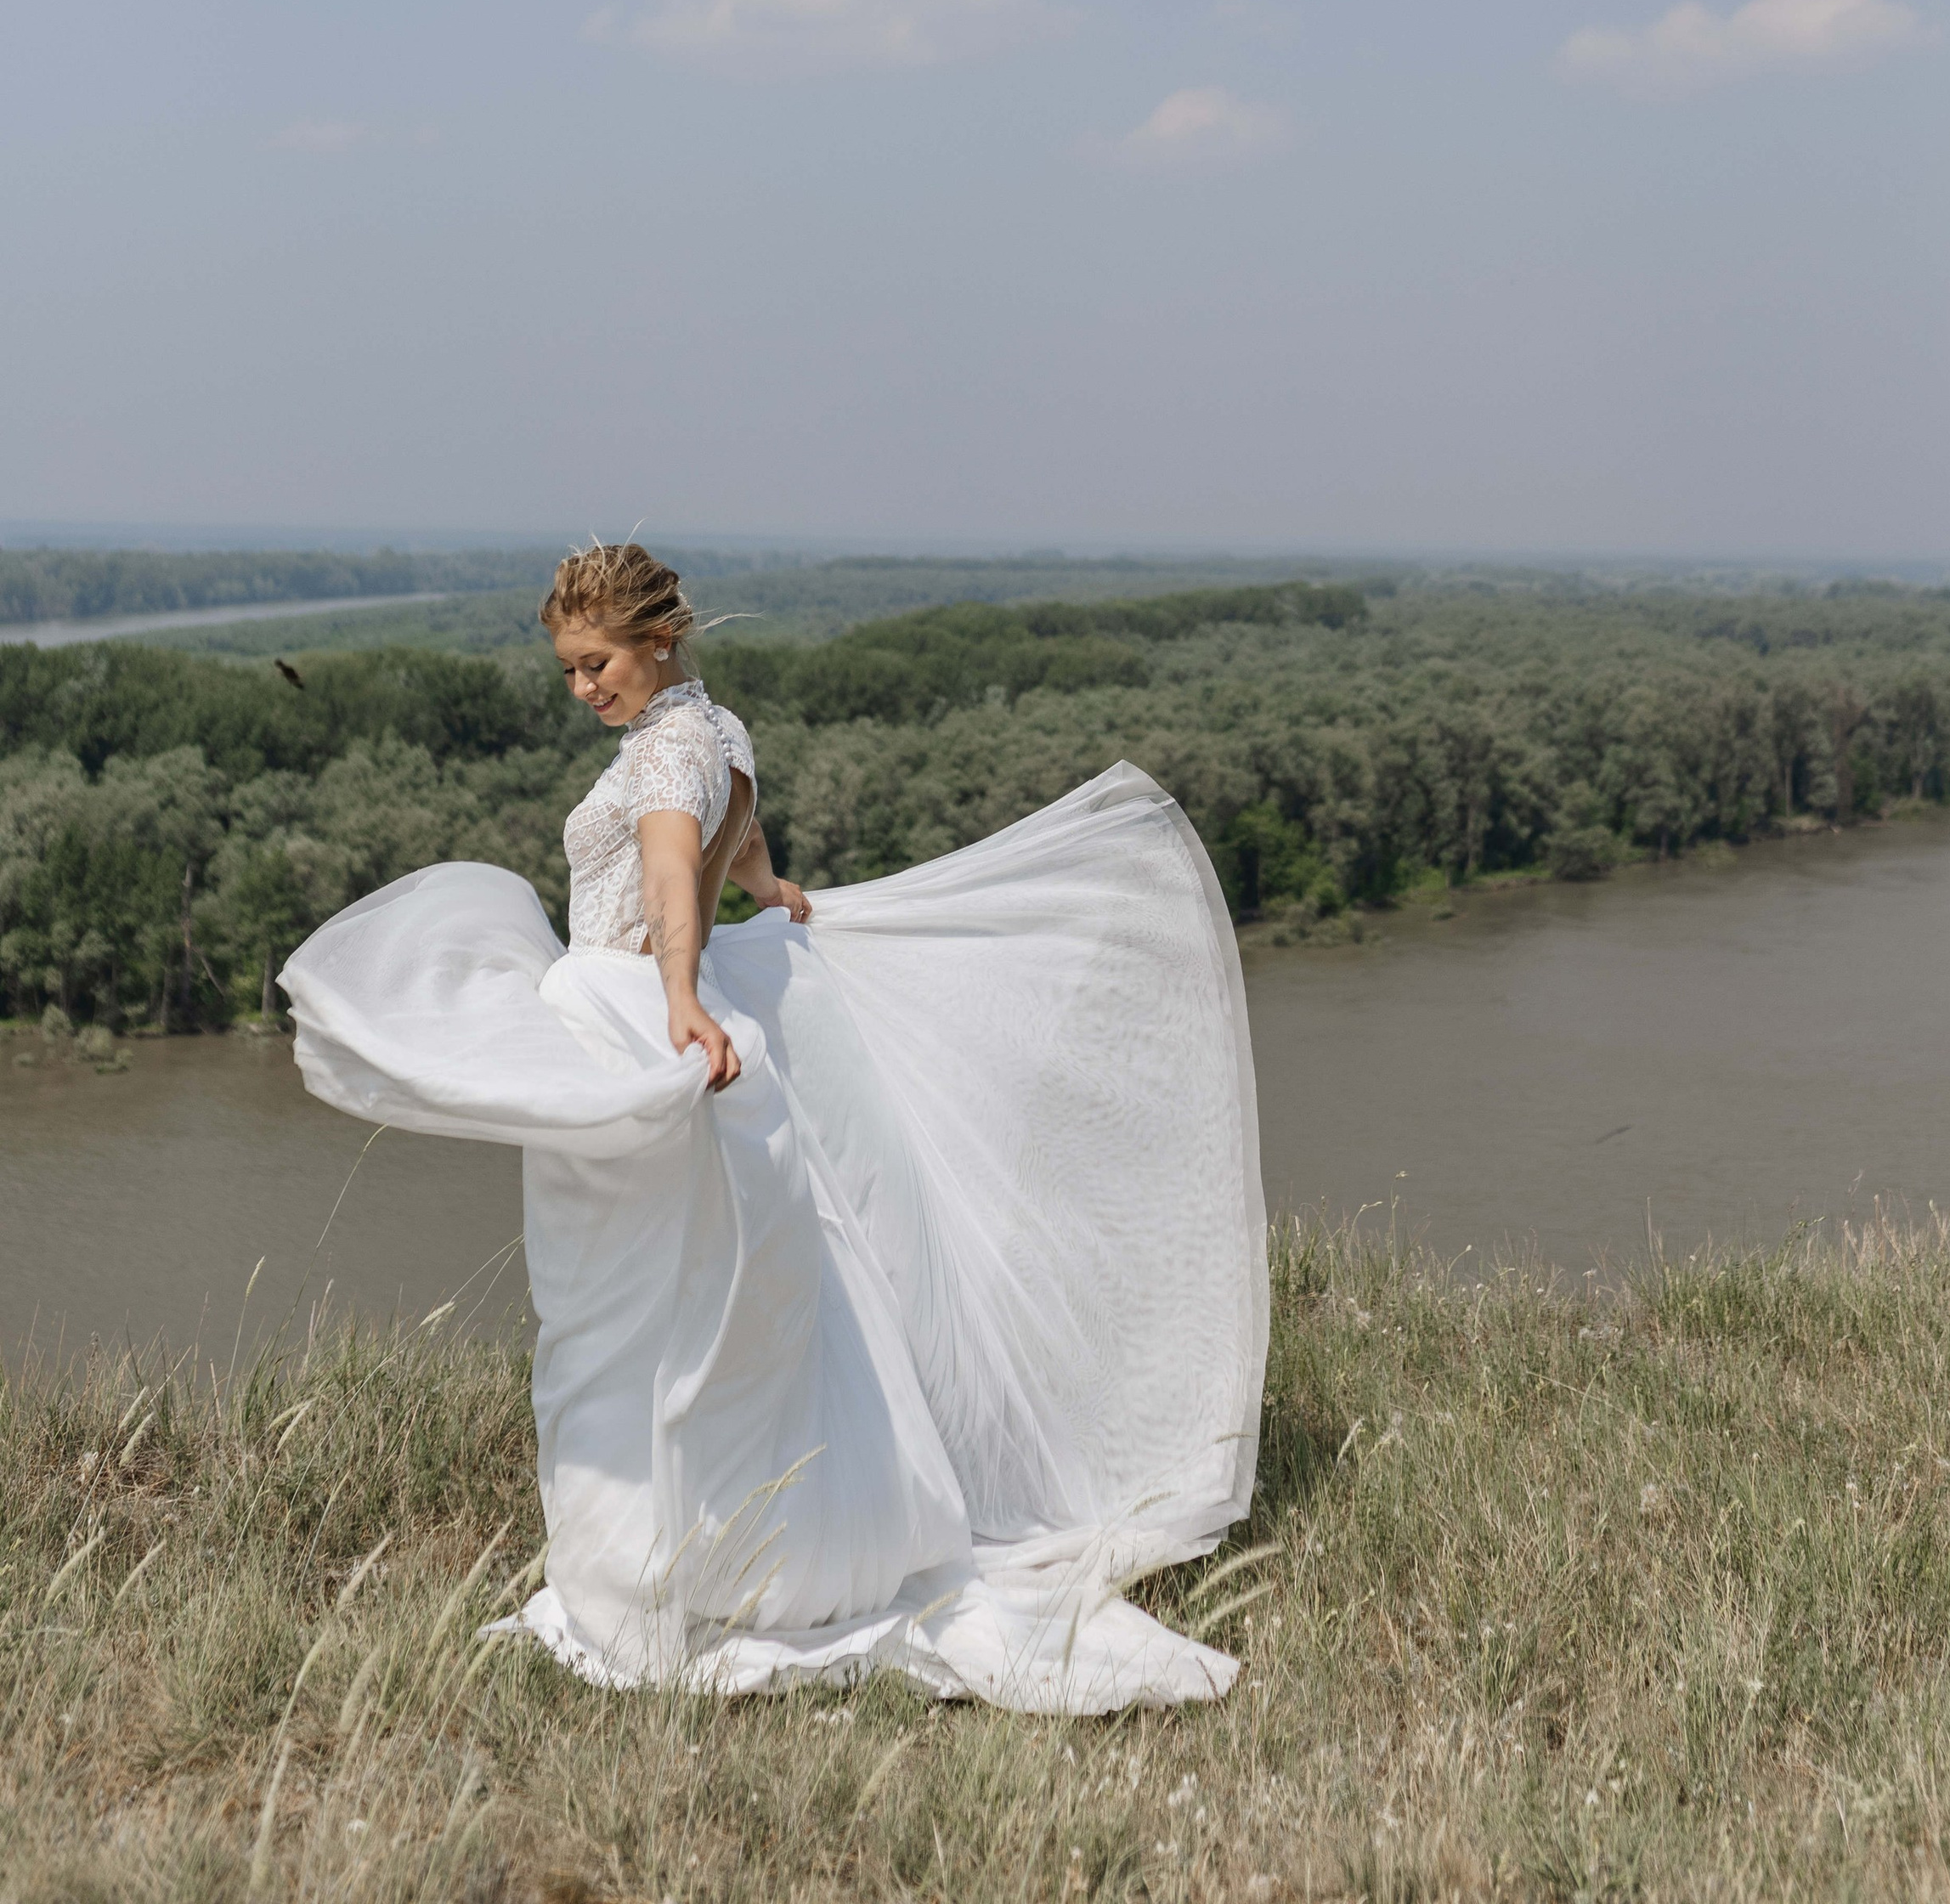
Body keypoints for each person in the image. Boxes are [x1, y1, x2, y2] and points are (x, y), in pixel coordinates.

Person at [280, 543, 1269, 1710]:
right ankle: (739, 1541)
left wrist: (683, 995)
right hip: (660, 1002)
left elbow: (662, 879)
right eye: (566, 671)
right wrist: (768, 887)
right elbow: (727, 830)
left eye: (595, 664)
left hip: (636, 1008)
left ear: (657, 641)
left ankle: (667, 1567)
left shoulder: (667, 752)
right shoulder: (714, 728)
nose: (581, 689)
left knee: (633, 1310)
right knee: (687, 1296)